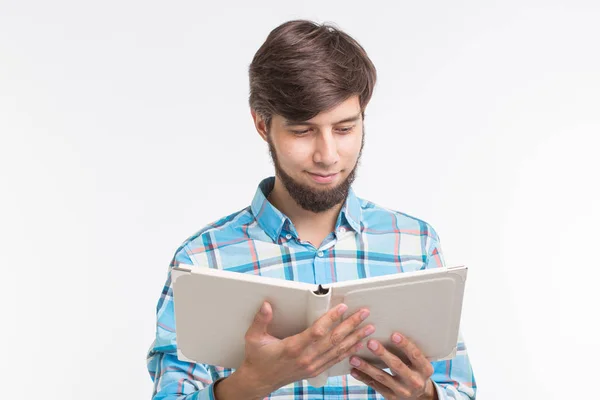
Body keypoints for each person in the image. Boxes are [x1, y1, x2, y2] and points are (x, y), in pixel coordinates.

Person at [146, 19, 476, 400]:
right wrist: (250, 384)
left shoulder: (415, 245)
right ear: (262, 124)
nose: (327, 156)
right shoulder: (202, 260)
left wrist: (425, 396)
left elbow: (460, 389)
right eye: (303, 131)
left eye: (344, 129)